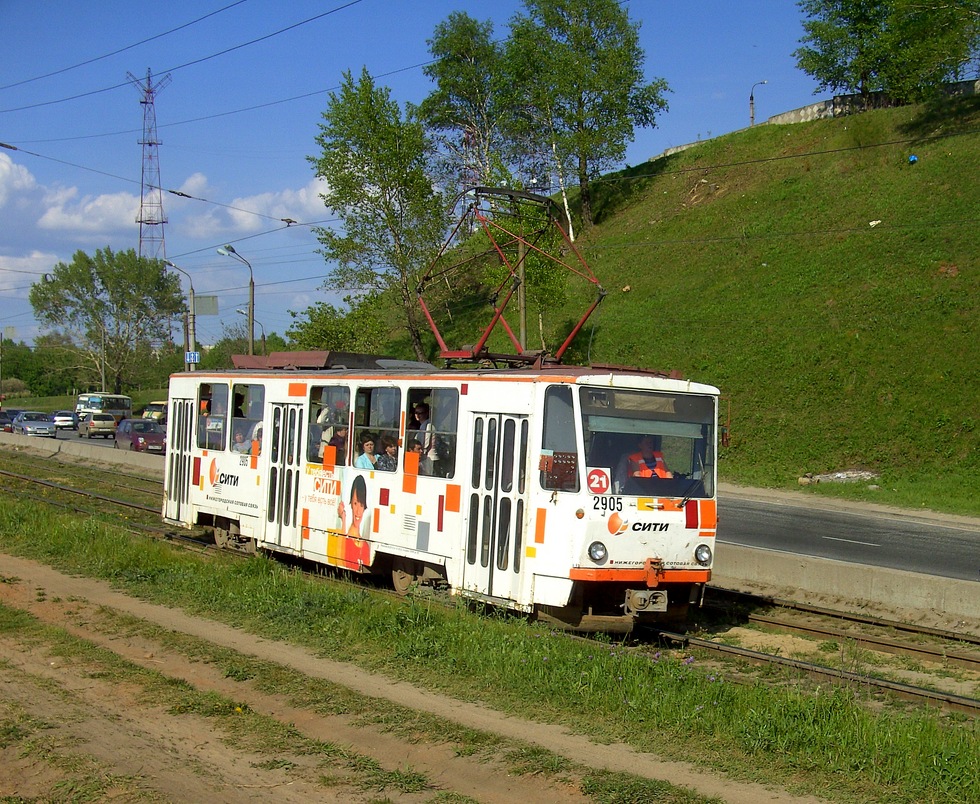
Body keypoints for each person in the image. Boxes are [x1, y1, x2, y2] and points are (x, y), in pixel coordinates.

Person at [412, 402, 437, 475]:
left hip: (429, 458)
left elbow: (425, 444)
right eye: (416, 412)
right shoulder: (422, 425)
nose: (417, 415)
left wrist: (419, 454)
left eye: (421, 413)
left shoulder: (428, 426)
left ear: (426, 414)